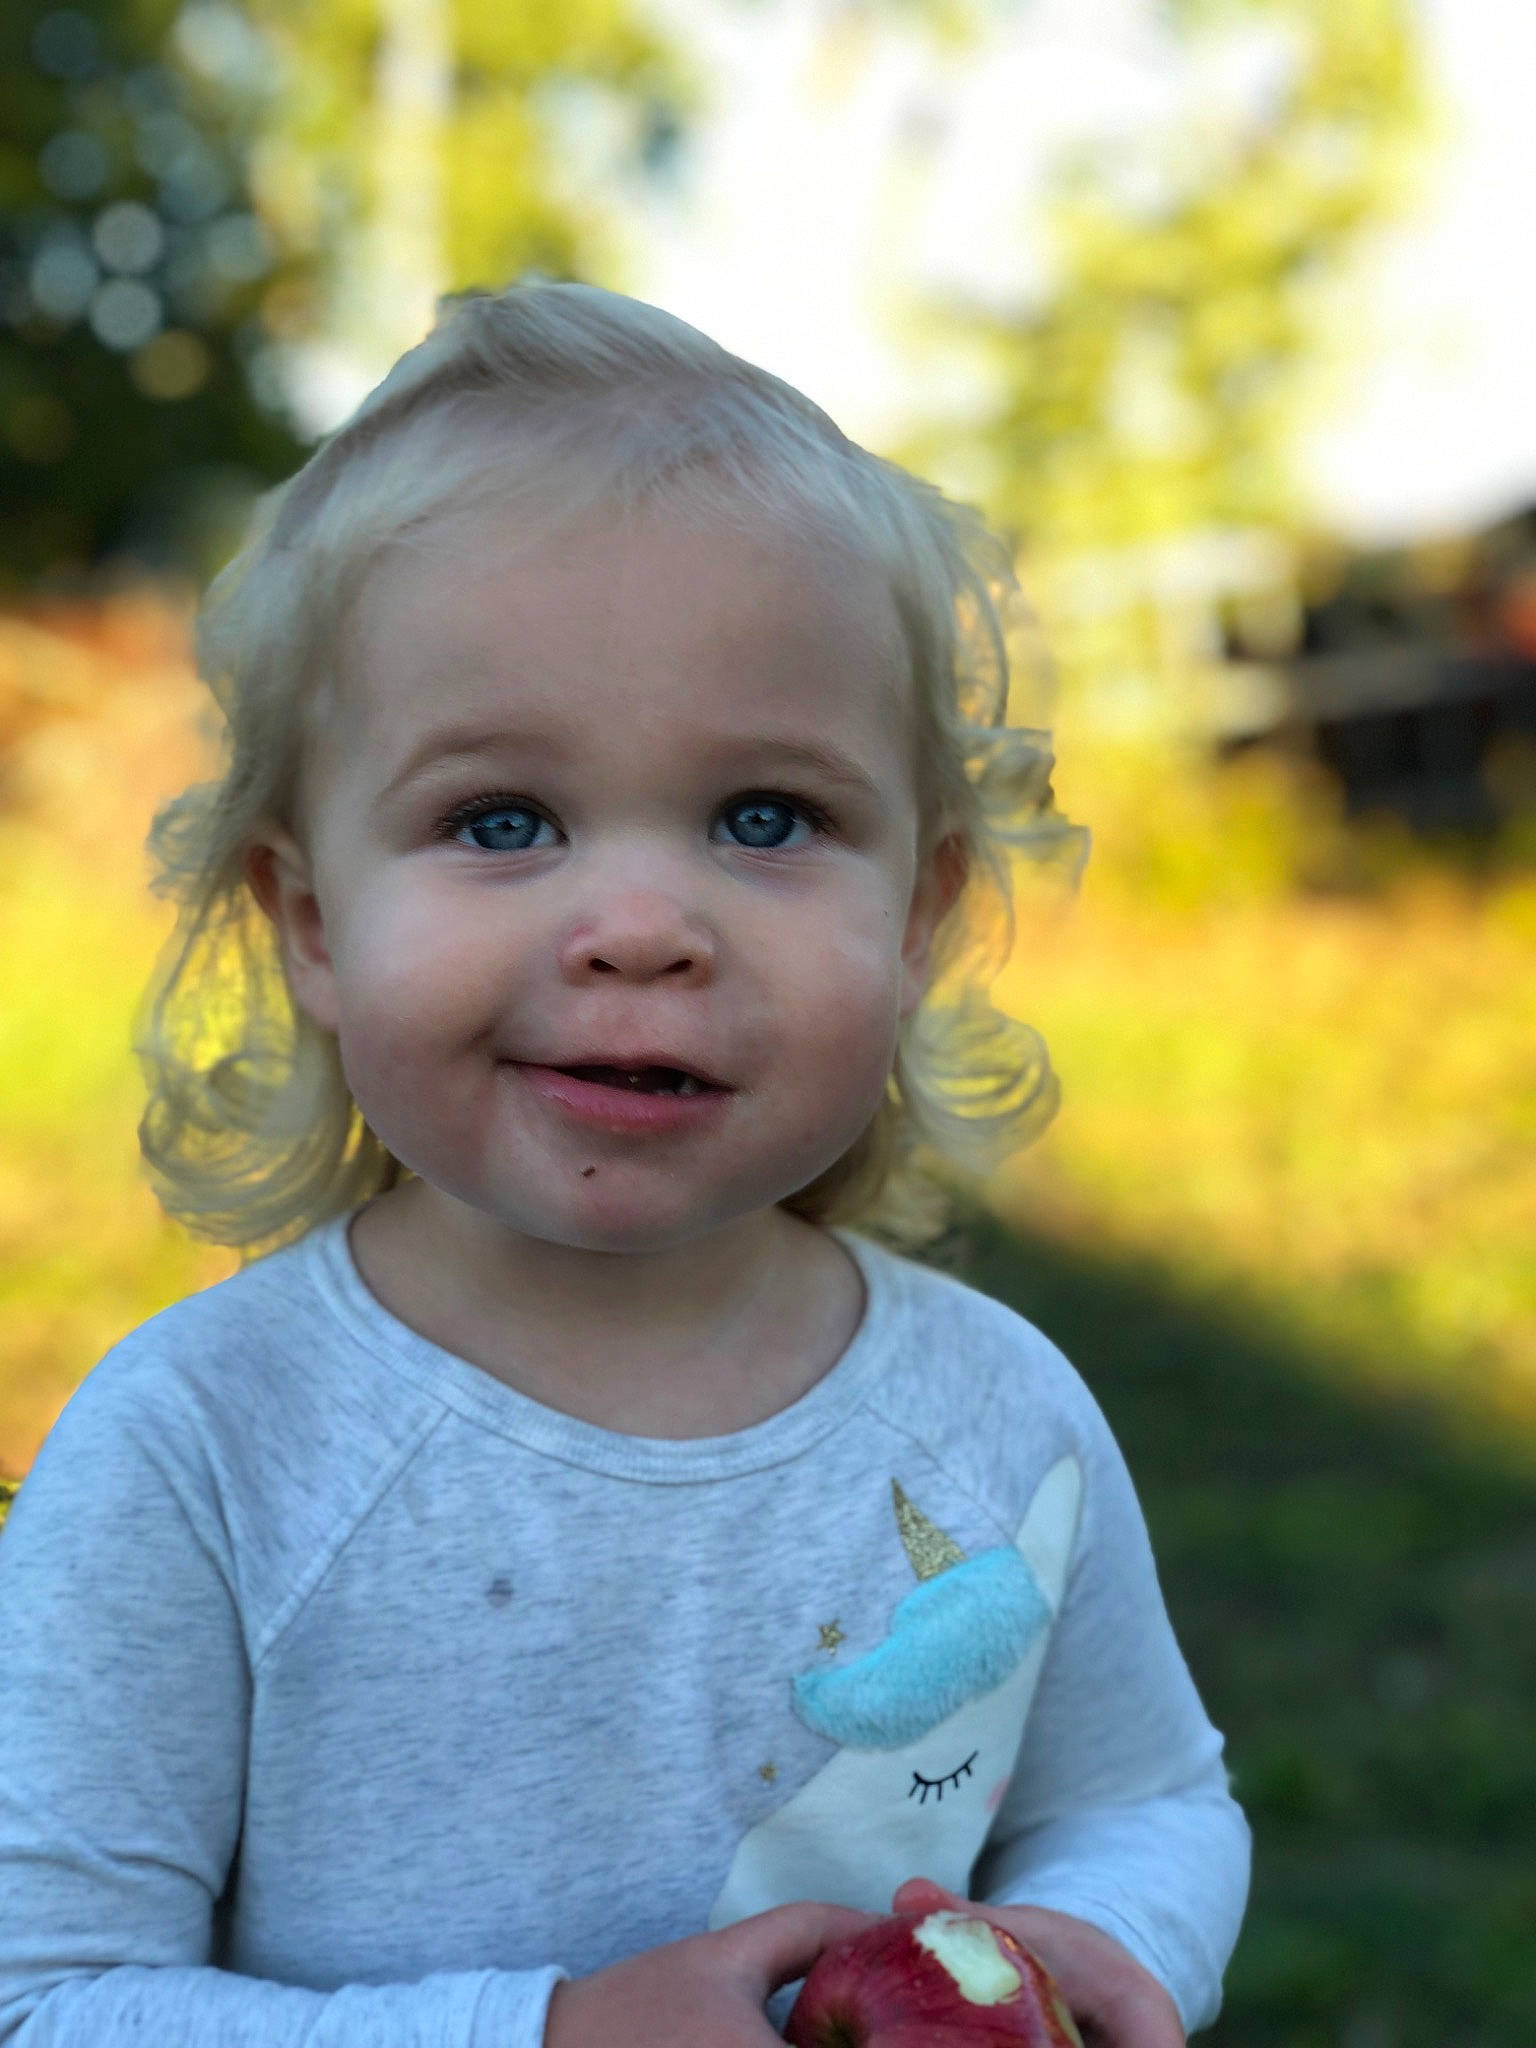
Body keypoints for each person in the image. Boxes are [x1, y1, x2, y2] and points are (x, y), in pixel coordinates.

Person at [0, 280, 1249, 2048]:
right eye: (500, 822)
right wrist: (550, 2033)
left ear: (922, 914)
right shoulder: (208, 1450)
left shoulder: (995, 1422)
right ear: (311, 922)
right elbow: (45, 1998)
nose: (645, 926)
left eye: (768, 818)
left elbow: (1141, 1802)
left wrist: (1093, 1951)